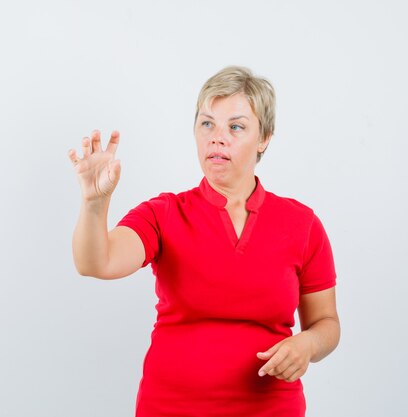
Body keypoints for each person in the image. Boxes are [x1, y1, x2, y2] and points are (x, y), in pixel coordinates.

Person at [68, 66, 340, 417]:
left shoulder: (302, 224)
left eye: (236, 127)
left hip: (271, 407)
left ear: (264, 138)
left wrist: (308, 344)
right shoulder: (164, 213)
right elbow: (96, 263)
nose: (217, 137)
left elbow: (327, 323)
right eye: (207, 123)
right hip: (170, 407)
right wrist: (94, 203)